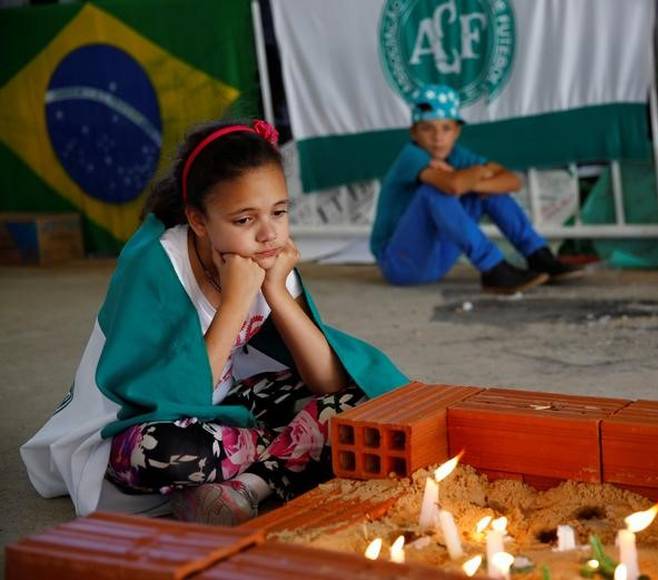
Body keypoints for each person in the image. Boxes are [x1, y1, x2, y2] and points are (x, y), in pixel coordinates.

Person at [21, 120, 408, 525]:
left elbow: (326, 382)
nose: (268, 233)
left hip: (224, 414)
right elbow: (176, 401)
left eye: (279, 212)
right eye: (244, 220)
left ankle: (245, 487)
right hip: (139, 423)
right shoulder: (157, 264)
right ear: (199, 221)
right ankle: (286, 455)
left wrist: (276, 292)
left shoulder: (267, 257)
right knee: (162, 450)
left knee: (361, 402)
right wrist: (236, 301)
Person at [371, 84, 584, 294]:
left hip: (438, 262)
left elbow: (512, 182)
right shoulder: (411, 155)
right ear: (414, 133)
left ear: (456, 132)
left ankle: (539, 256)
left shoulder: (457, 155)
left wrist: (473, 179)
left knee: (488, 191)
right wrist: (479, 172)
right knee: (434, 190)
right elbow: (453, 186)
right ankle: (493, 268)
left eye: (446, 128)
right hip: (400, 264)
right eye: (427, 128)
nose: (438, 137)